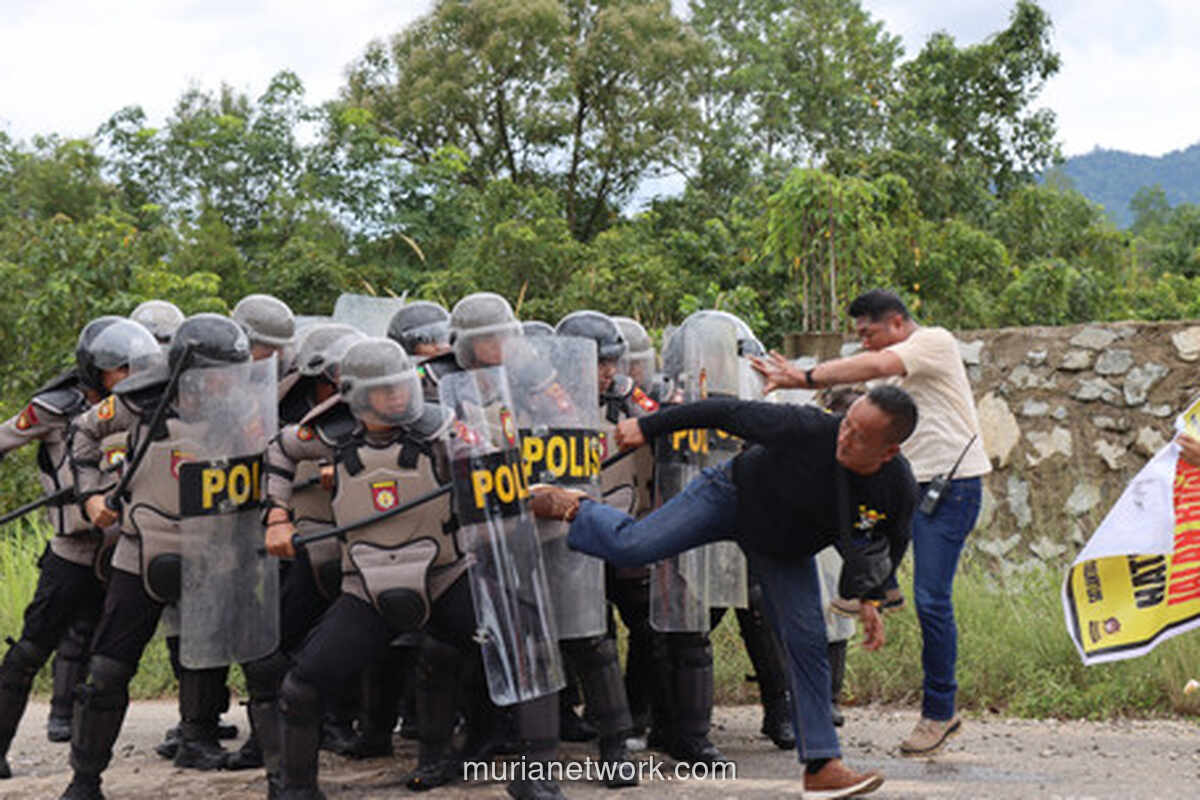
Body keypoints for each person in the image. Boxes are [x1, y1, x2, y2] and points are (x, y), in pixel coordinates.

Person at [530, 385, 919, 799]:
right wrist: (648, 426)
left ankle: (822, 767)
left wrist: (870, 597)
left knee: (808, 642)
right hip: (730, 497)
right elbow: (725, 411)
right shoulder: (808, 427)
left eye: (860, 435)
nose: (845, 436)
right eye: (847, 424)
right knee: (634, 546)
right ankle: (574, 507)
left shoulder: (897, 488)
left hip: (783, 548)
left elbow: (885, 544)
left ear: (889, 451)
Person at [752, 289, 990, 757]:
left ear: (897, 323)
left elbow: (875, 365)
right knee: (854, 538)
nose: (864, 343)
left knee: (932, 599)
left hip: (951, 484)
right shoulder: (891, 375)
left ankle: (940, 713)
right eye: (859, 335)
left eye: (869, 333)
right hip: (906, 485)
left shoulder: (933, 343)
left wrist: (804, 375)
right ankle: (878, 592)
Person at [61, 313, 266, 800]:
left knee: (247, 661)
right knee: (107, 672)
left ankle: (226, 753)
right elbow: (81, 435)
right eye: (216, 374)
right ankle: (84, 781)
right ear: (188, 370)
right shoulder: (137, 400)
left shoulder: (241, 410)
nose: (226, 383)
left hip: (215, 549)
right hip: (142, 547)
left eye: (232, 373)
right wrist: (92, 497)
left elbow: (268, 462)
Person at [0, 318, 160, 778]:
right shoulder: (54, 409)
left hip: (124, 552)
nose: (129, 377)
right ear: (95, 370)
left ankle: (86, 770)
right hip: (73, 552)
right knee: (29, 653)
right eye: (119, 369)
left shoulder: (145, 403)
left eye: (135, 368)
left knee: (106, 665)